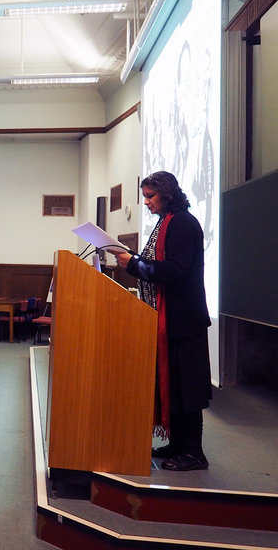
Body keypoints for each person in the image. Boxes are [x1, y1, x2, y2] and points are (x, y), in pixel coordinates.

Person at [110, 171, 212, 472]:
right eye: (144, 196)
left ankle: (194, 453)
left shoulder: (181, 223)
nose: (146, 202)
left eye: (150, 196)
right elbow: (161, 265)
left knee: (187, 389)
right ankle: (178, 445)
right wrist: (134, 261)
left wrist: (134, 264)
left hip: (183, 320)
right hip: (174, 318)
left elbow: (176, 270)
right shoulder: (168, 221)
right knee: (174, 386)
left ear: (167, 194)